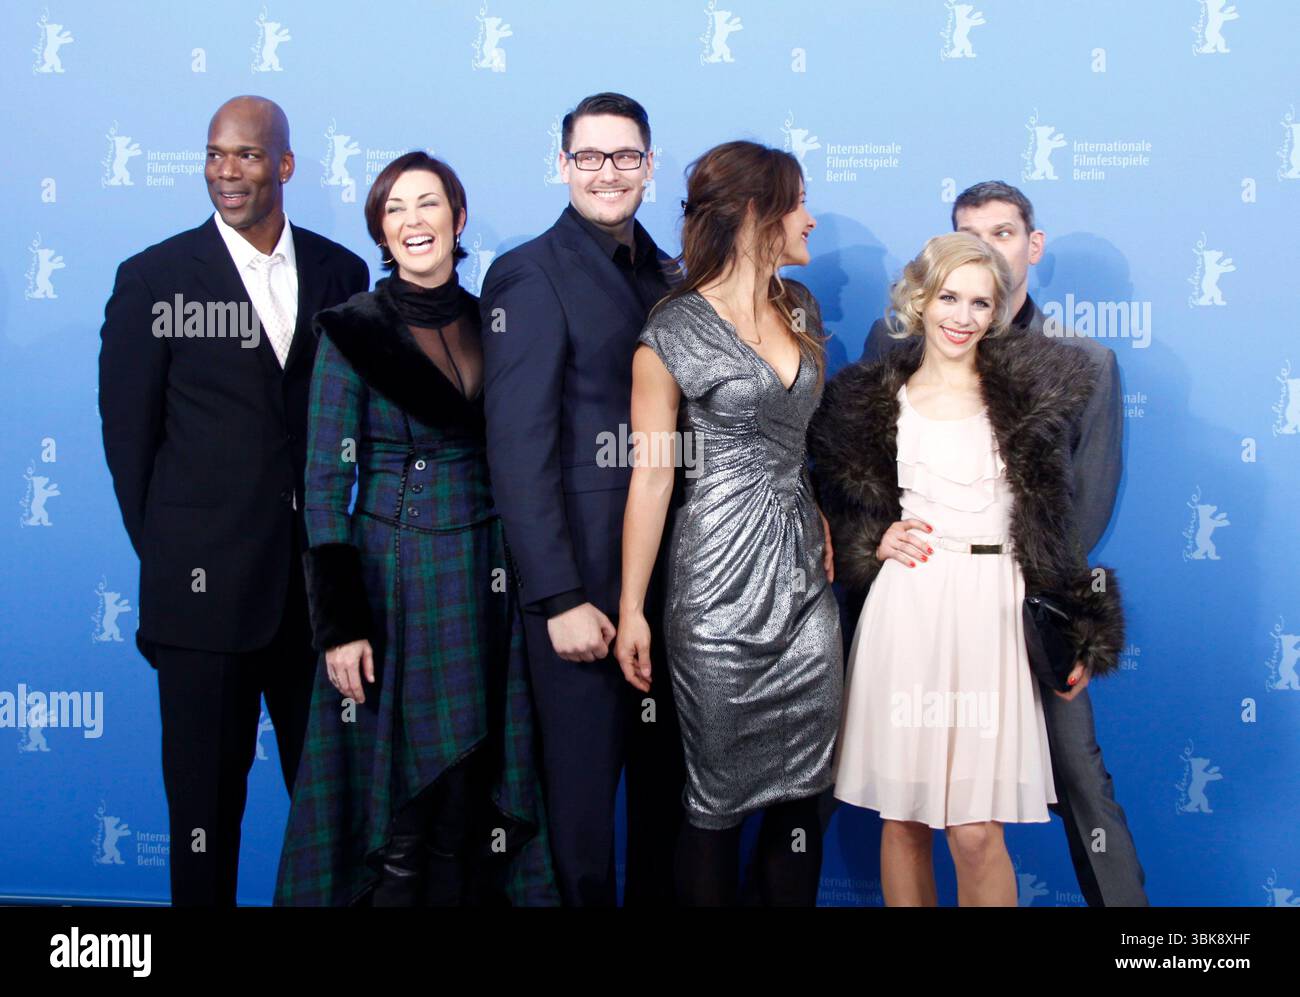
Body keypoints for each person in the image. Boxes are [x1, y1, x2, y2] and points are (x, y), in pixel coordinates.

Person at [97, 95, 369, 906]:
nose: (227, 170)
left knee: (333, 810)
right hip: (201, 600)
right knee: (204, 817)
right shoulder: (153, 278)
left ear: (284, 165)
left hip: (315, 598)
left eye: (247, 155)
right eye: (215, 153)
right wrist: (181, 564)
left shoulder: (340, 273)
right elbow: (129, 446)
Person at [272, 153, 557, 906]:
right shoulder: (352, 331)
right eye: (395, 209)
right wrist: (339, 625)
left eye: (428, 204)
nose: (413, 221)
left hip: (489, 574)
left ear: (457, 220)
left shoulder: (496, 321)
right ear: (381, 230)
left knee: (472, 789)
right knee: (399, 801)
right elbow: (327, 482)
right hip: (392, 580)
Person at [808, 232, 1126, 906]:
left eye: (980, 302)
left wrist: (1083, 626)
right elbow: (832, 497)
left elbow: (1055, 524)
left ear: (997, 311)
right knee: (904, 819)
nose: (962, 315)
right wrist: (872, 537)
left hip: (995, 610)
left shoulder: (1033, 395)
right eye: (949, 296)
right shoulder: (867, 395)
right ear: (920, 298)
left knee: (976, 831)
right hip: (910, 608)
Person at [616, 141, 843, 907]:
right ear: (755, 214)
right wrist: (629, 611)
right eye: (798, 202)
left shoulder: (801, 309)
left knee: (802, 797)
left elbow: (796, 437)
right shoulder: (671, 331)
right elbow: (652, 477)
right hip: (714, 591)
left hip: (806, 585)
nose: (811, 218)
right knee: (713, 804)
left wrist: (809, 503)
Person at [479, 92, 685, 906]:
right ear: (562, 165)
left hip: (674, 584)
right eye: (591, 157)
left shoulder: (672, 274)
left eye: (626, 156)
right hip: (582, 595)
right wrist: (558, 595)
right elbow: (518, 445)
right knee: (583, 813)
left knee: (669, 803)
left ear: (650, 166)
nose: (610, 173)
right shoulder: (527, 272)